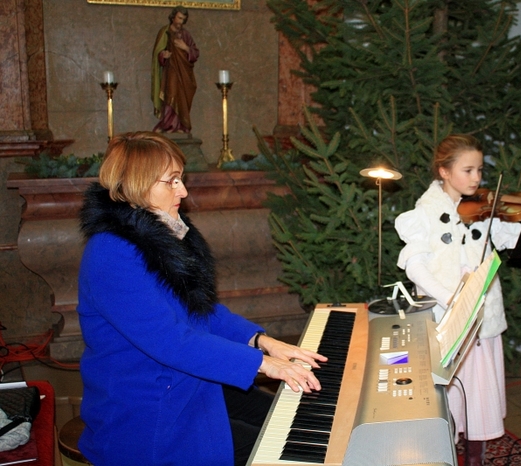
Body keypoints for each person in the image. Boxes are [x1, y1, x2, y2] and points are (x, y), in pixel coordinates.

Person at [77, 131, 326, 466]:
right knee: (281, 447)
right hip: (148, 413)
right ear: (138, 184)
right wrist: (262, 364)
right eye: (172, 181)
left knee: (292, 420)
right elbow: (170, 341)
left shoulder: (160, 235)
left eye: (181, 179)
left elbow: (201, 311)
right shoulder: (111, 254)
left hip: (185, 386)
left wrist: (263, 342)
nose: (183, 191)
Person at [394, 134, 521, 466]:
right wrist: (450, 298)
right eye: (468, 170)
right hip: (446, 320)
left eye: (480, 170)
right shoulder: (424, 213)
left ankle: (475, 458)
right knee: (447, 400)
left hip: (482, 321)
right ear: (444, 171)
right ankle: (444, 456)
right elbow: (415, 266)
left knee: (479, 399)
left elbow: (515, 238)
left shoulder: (484, 210)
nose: (477, 178)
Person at [151, 6, 199, 133]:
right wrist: (163, 55)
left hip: (184, 73)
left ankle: (181, 125)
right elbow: (157, 53)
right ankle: (168, 125)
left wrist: (185, 47)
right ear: (173, 17)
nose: (180, 22)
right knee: (170, 94)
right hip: (171, 70)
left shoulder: (185, 35)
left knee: (182, 97)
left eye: (183, 19)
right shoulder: (164, 32)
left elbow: (195, 53)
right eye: (179, 18)